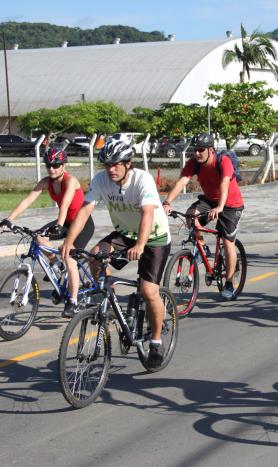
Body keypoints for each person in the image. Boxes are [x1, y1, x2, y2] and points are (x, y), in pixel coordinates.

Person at [61, 138, 171, 367]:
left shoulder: (143, 180)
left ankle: (156, 342)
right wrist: (69, 242)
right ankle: (109, 302)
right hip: (125, 234)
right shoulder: (101, 180)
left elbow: (148, 213)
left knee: (149, 291)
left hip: (154, 237)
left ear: (128, 163)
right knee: (94, 255)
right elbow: (85, 210)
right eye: (107, 164)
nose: (111, 169)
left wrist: (140, 245)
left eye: (116, 164)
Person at [0, 145, 94, 317]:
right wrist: (10, 219)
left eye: (56, 165)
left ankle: (72, 302)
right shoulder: (46, 182)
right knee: (37, 238)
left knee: (70, 257)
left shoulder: (70, 181)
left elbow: (65, 205)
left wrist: (58, 224)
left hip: (82, 224)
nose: (51, 168)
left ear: (64, 165)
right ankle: (56, 265)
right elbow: (27, 200)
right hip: (65, 222)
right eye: (48, 165)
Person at [162, 132, 244, 299]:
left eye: (201, 150)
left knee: (228, 242)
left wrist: (220, 207)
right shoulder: (194, 163)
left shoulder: (223, 161)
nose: (197, 153)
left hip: (230, 203)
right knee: (191, 215)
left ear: (211, 150)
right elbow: (182, 181)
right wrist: (167, 202)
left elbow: (224, 183)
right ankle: (203, 248)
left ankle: (229, 283)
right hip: (209, 200)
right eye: (195, 150)